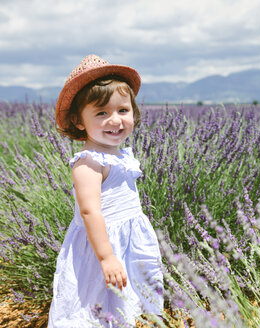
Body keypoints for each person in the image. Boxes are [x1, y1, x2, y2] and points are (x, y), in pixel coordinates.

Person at [48, 55, 163, 327]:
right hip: (101, 248)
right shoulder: (88, 162)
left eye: (123, 110)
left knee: (126, 306)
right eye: (101, 113)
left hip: (128, 241)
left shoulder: (121, 155)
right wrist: (107, 257)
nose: (115, 120)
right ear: (78, 121)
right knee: (94, 309)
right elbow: (89, 212)